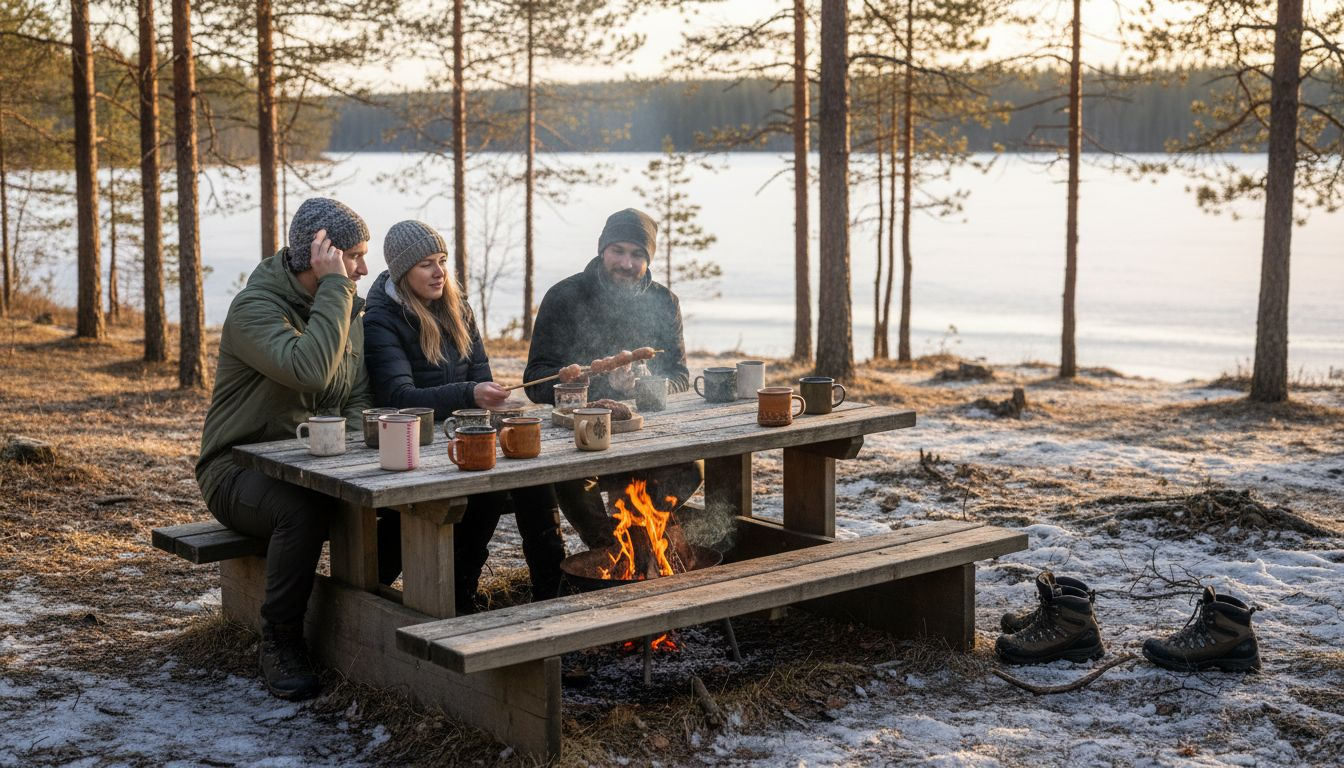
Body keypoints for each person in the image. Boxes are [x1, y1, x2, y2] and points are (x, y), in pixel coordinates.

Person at [196, 198, 374, 701]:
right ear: (323, 254)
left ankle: (360, 614)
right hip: (236, 471)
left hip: (313, 465)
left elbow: (356, 395)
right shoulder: (255, 309)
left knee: (391, 503)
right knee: (301, 510)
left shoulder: (345, 306)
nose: (362, 268)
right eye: (355, 256)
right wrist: (337, 289)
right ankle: (280, 640)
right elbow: (310, 370)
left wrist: (357, 454)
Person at [362, 220, 566, 610]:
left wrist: (495, 400)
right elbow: (399, 396)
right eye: (426, 264)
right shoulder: (383, 318)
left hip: (464, 436)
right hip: (414, 445)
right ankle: (456, 592)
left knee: (534, 476)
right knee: (482, 490)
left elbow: (480, 377)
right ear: (403, 271)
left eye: (442, 260)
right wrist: (469, 394)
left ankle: (551, 592)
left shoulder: (459, 309)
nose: (440, 272)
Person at [524, 208, 701, 550]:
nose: (626, 263)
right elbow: (533, 380)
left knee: (691, 470)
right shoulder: (564, 296)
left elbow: (679, 376)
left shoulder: (664, 302)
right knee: (572, 480)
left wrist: (646, 384)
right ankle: (610, 550)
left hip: (648, 435)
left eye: (638, 255)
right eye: (618, 251)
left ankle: (636, 534)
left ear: (648, 258)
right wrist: (602, 387)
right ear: (601, 249)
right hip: (578, 437)